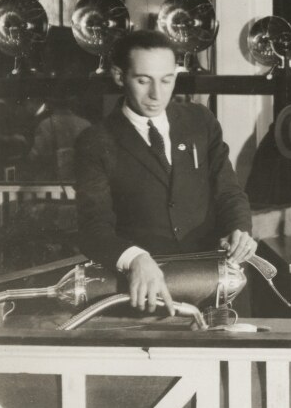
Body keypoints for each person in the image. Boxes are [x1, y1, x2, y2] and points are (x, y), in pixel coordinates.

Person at [75, 30, 255, 313]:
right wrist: (134, 258)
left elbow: (229, 192)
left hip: (213, 286)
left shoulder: (200, 121)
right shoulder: (95, 141)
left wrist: (239, 229)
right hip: (144, 294)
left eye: (166, 80)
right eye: (143, 80)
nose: (156, 94)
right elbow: (92, 227)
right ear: (120, 76)